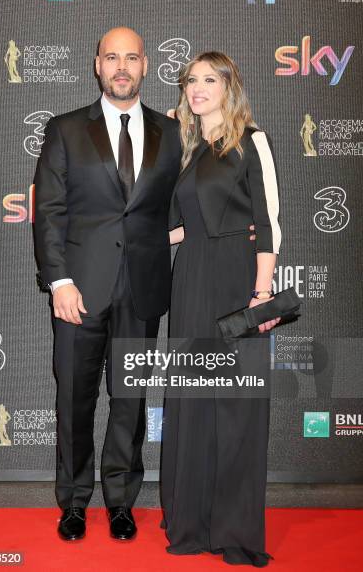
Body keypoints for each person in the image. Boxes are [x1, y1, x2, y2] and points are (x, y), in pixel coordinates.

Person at [33, 27, 182, 541]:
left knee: (130, 401)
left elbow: (180, 205)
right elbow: (48, 213)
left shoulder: (172, 131)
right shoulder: (66, 129)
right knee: (74, 400)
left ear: (146, 66)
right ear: (96, 65)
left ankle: (121, 501)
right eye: (112, 57)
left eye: (132, 58)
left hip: (142, 291)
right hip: (79, 290)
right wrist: (59, 282)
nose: (122, 67)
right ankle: (73, 501)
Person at [160, 51, 281, 566]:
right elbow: (172, 225)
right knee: (191, 400)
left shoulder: (252, 141)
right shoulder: (186, 149)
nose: (197, 88)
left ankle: (232, 529)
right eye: (191, 80)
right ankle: (190, 520)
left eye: (210, 79)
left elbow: (268, 221)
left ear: (229, 86)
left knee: (235, 405)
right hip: (190, 278)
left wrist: (262, 293)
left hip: (236, 281)